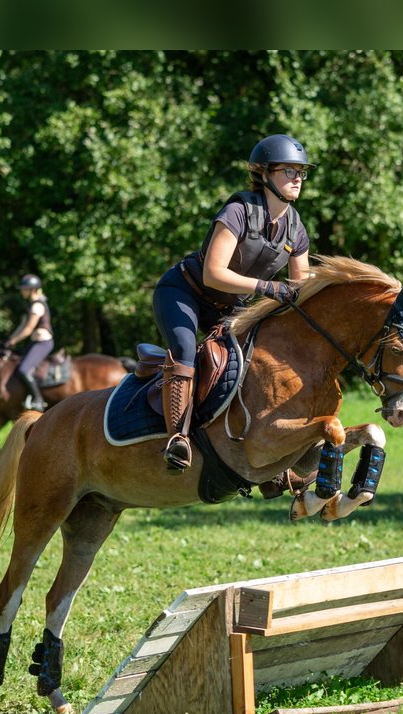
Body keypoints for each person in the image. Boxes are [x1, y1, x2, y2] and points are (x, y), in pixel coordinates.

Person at [151, 133, 314, 471]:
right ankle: (177, 439)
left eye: (302, 172)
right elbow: (213, 274)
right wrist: (268, 287)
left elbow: (300, 287)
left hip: (227, 308)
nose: (297, 179)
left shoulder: (296, 230)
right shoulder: (238, 210)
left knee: (257, 362)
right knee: (184, 348)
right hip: (184, 291)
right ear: (265, 174)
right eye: (289, 171)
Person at [2, 274, 55, 412]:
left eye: (24, 288)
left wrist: (13, 341)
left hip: (43, 343)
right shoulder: (32, 305)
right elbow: (21, 326)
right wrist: (9, 340)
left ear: (32, 289)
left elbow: (28, 329)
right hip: (35, 343)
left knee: (23, 369)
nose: (22, 291)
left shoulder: (37, 306)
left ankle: (38, 401)